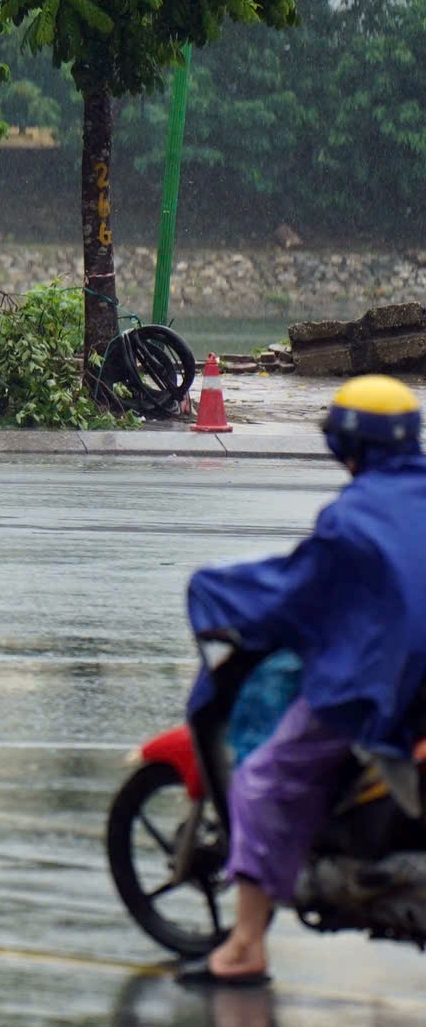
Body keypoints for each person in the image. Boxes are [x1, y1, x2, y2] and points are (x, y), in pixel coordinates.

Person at [181, 374, 426, 986]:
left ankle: (243, 947)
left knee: (264, 781)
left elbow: (294, 594)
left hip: (381, 692)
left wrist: (214, 596)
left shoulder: (352, 519)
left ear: (350, 449)